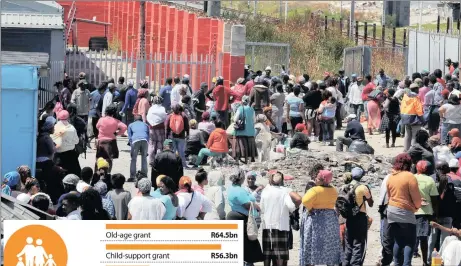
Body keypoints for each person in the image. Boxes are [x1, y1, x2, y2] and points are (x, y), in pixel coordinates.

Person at [381, 153, 422, 266]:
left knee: (398, 240)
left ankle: (397, 263)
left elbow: (390, 196)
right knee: (410, 241)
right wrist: (417, 206)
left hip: (392, 211)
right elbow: (417, 200)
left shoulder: (391, 177)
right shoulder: (409, 176)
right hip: (405, 212)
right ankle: (407, 264)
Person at [300, 170, 341, 266]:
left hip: (316, 220)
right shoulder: (334, 190)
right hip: (330, 219)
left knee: (313, 243)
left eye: (317, 178)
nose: (315, 179)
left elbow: (305, 200)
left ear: (323, 180)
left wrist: (310, 209)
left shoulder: (314, 190)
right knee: (329, 245)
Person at [260, 171, 301, 266]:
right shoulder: (285, 191)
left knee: (267, 254)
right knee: (280, 255)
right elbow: (292, 205)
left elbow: (262, 208)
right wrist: (294, 209)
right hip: (281, 226)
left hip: (267, 225)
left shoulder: (265, 191)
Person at [226, 168, 264, 265]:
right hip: (242, 219)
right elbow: (247, 205)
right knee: (248, 246)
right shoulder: (239, 190)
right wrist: (257, 207)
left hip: (235, 216)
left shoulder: (232, 188)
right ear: (242, 178)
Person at [428, 161, 457, 264]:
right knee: (443, 241)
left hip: (434, 214)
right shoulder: (451, 181)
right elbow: (454, 199)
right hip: (447, 214)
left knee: (432, 239)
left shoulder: (430, 179)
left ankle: (428, 261)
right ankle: (440, 262)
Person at [344, 167, 373, 266]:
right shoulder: (362, 187)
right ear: (361, 176)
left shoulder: (346, 186)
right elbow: (371, 203)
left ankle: (346, 263)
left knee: (348, 244)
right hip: (360, 217)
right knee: (358, 243)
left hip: (349, 217)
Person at [414, 160, 439, 266]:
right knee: (423, 239)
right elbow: (434, 199)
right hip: (425, 213)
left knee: (411, 237)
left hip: (411, 211)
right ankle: (425, 262)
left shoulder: (412, 178)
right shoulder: (430, 180)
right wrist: (435, 214)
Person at [96, 104, 127, 172]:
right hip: (111, 141)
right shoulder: (116, 121)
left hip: (101, 140)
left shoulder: (101, 119)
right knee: (109, 159)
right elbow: (124, 127)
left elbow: (97, 127)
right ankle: (108, 173)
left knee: (99, 159)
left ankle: (97, 173)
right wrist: (117, 133)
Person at [53, 110, 81, 176]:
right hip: (71, 156)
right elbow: (76, 141)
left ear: (59, 118)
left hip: (58, 156)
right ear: (68, 118)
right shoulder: (72, 128)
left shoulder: (55, 127)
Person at [233, 96, 258, 164]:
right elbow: (254, 120)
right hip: (250, 133)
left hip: (242, 132)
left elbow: (235, 119)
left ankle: (242, 161)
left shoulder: (240, 108)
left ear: (242, 101)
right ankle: (250, 163)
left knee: (242, 150)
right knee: (250, 151)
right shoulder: (252, 109)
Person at [400, 83, 424, 151]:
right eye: (418, 89)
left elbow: (402, 107)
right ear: (416, 89)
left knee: (407, 135)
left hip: (405, 118)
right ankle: (413, 151)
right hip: (414, 119)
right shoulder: (416, 98)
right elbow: (419, 110)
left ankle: (406, 150)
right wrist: (423, 120)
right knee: (414, 136)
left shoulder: (405, 97)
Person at [146, 96, 168, 164]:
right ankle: (159, 160)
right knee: (160, 144)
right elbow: (165, 118)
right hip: (160, 129)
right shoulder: (162, 108)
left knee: (152, 144)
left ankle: (151, 160)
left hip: (151, 129)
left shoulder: (151, 109)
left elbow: (148, 118)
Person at [128, 115, 149, 180]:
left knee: (133, 158)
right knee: (144, 158)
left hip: (135, 140)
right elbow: (148, 135)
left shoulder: (131, 125)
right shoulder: (146, 125)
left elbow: (130, 137)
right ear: (142, 120)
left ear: (134, 120)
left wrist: (132, 147)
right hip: (145, 140)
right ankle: (144, 174)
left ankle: (132, 176)